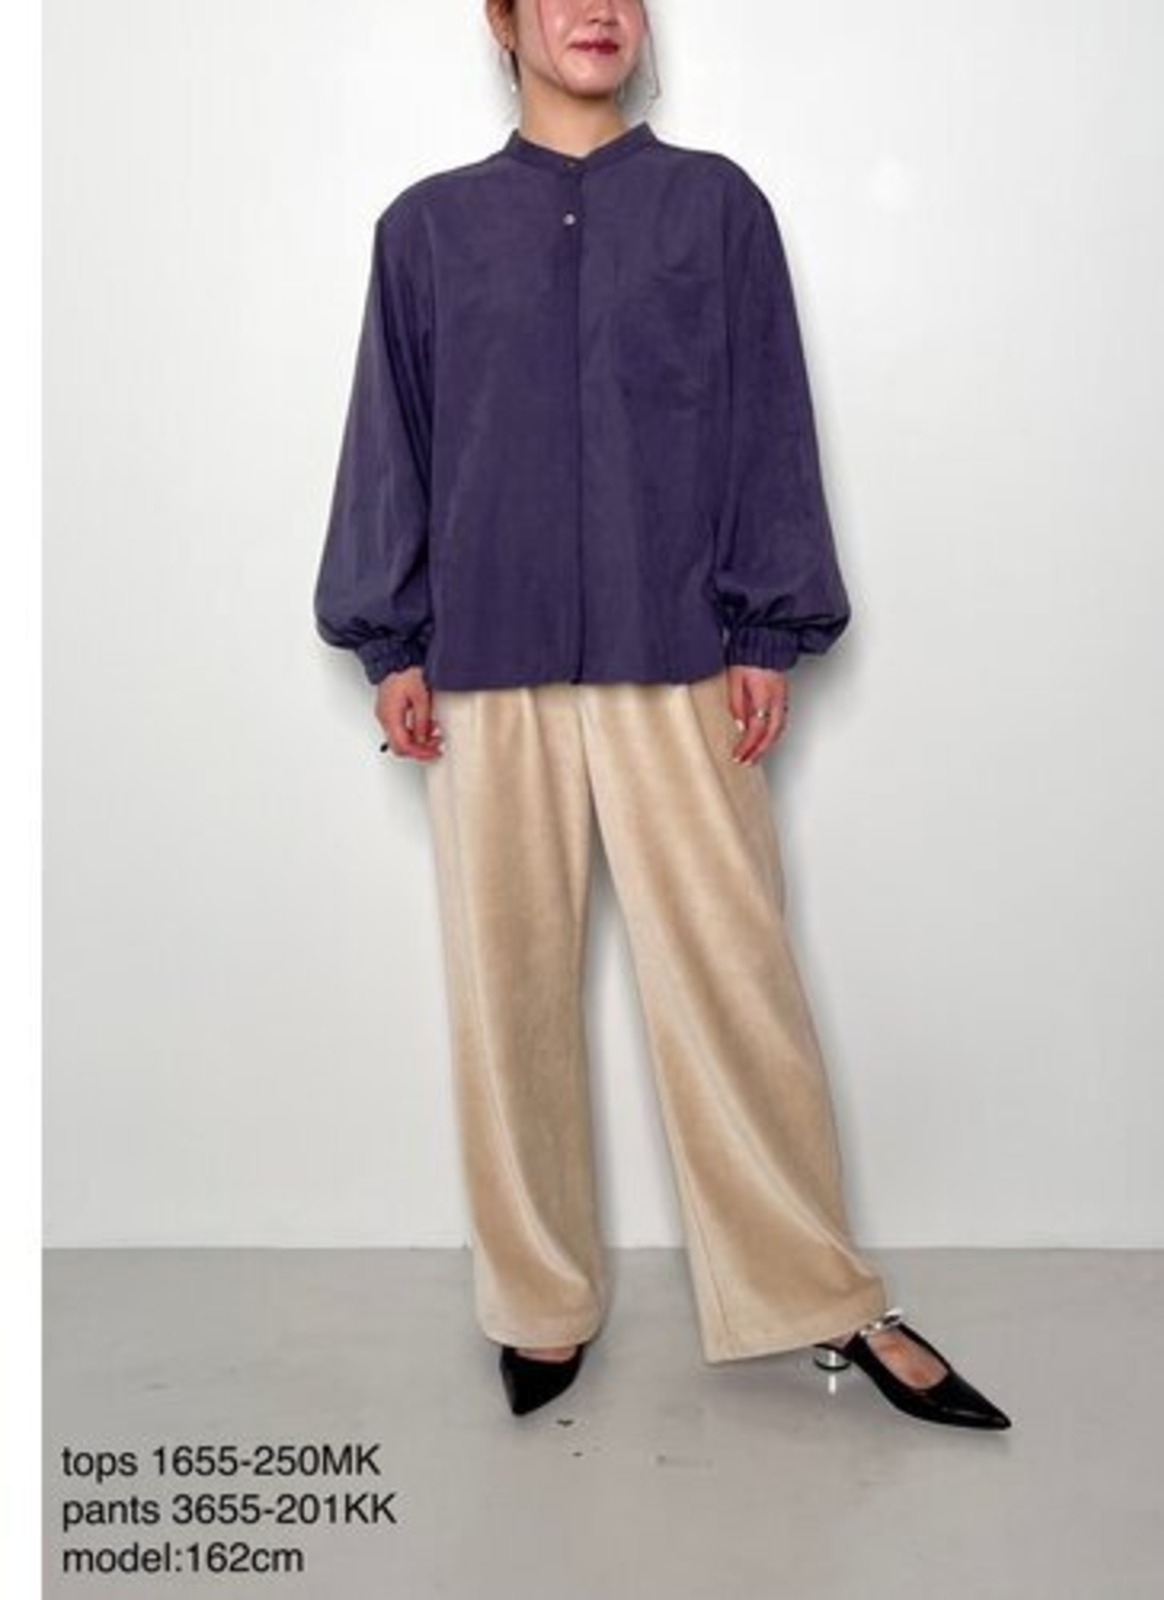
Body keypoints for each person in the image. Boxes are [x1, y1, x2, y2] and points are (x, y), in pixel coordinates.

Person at [313, 0, 1012, 1431]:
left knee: (734, 978)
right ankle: (540, 1303)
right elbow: (394, 437)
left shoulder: (715, 209)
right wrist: (390, 636)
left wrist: (769, 623)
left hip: (676, 652)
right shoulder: (427, 230)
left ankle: (820, 1293)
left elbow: (766, 422)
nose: (600, 10)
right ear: (502, 20)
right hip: (486, 663)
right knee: (506, 996)